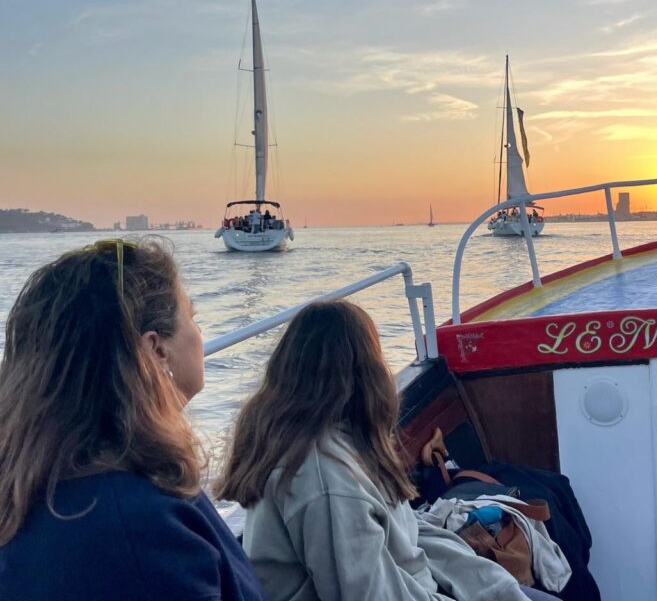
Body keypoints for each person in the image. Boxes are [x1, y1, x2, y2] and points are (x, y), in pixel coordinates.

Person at [217, 300, 558, 601]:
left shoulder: (343, 446)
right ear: (366, 372)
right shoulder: (325, 479)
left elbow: (411, 536)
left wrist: (492, 586)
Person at [0, 238, 265, 601]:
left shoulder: (43, 489)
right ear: (157, 350)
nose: (200, 335)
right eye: (193, 318)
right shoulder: (137, 530)